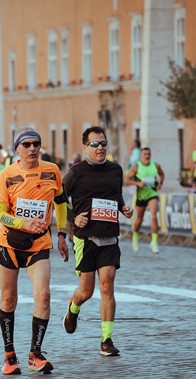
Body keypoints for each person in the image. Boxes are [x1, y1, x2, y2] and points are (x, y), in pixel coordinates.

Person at [0, 126, 69, 375]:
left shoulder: (52, 171)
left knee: (44, 296)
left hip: (39, 243)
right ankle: (9, 355)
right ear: (17, 149)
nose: (32, 148)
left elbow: (60, 201)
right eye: (26, 144)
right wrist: (23, 222)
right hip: (8, 243)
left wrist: (62, 234)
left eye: (36, 143)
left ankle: (35, 354)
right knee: (9, 298)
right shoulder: (6, 175)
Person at [62, 126, 133, 357]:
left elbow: (116, 193)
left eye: (103, 143)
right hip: (85, 239)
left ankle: (106, 340)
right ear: (85, 147)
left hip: (109, 237)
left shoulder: (116, 170)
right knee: (87, 291)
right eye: (95, 144)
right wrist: (74, 218)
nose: (100, 148)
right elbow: (58, 200)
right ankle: (74, 307)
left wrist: (123, 207)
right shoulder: (75, 173)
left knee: (107, 286)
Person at [124, 147, 165, 254]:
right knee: (139, 219)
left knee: (154, 216)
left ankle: (154, 242)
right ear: (141, 156)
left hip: (153, 194)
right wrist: (138, 184)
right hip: (141, 196)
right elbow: (126, 180)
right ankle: (135, 237)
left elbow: (162, 174)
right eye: (145, 154)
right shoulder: (136, 167)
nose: (147, 156)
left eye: (148, 154)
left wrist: (160, 184)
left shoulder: (155, 165)